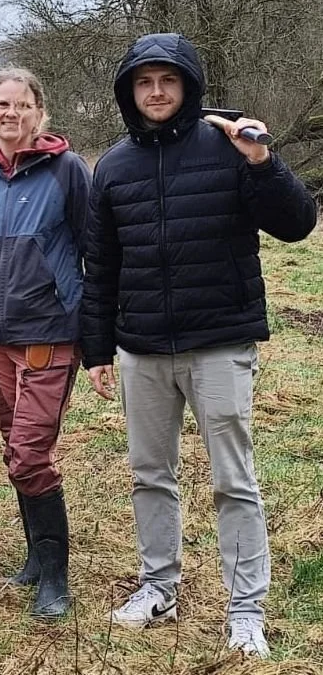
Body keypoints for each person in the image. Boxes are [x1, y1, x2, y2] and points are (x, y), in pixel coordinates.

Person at [83, 34, 316, 657]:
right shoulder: (113, 166)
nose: (156, 92)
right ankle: (159, 586)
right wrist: (97, 348)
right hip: (141, 347)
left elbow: (297, 224)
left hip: (219, 342)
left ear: (188, 86)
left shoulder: (230, 146)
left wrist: (263, 162)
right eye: (144, 82)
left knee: (233, 480)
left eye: (168, 80)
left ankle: (246, 610)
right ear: (129, 92)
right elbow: (101, 266)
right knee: (149, 475)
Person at [0, 69, 90, 618]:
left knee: (30, 454)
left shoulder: (67, 171)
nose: (11, 113)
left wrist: (93, 334)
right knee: (17, 451)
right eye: (1, 104)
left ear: (40, 114)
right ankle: (35, 559)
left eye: (22, 105)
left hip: (48, 335)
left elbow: (93, 248)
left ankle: (55, 578)